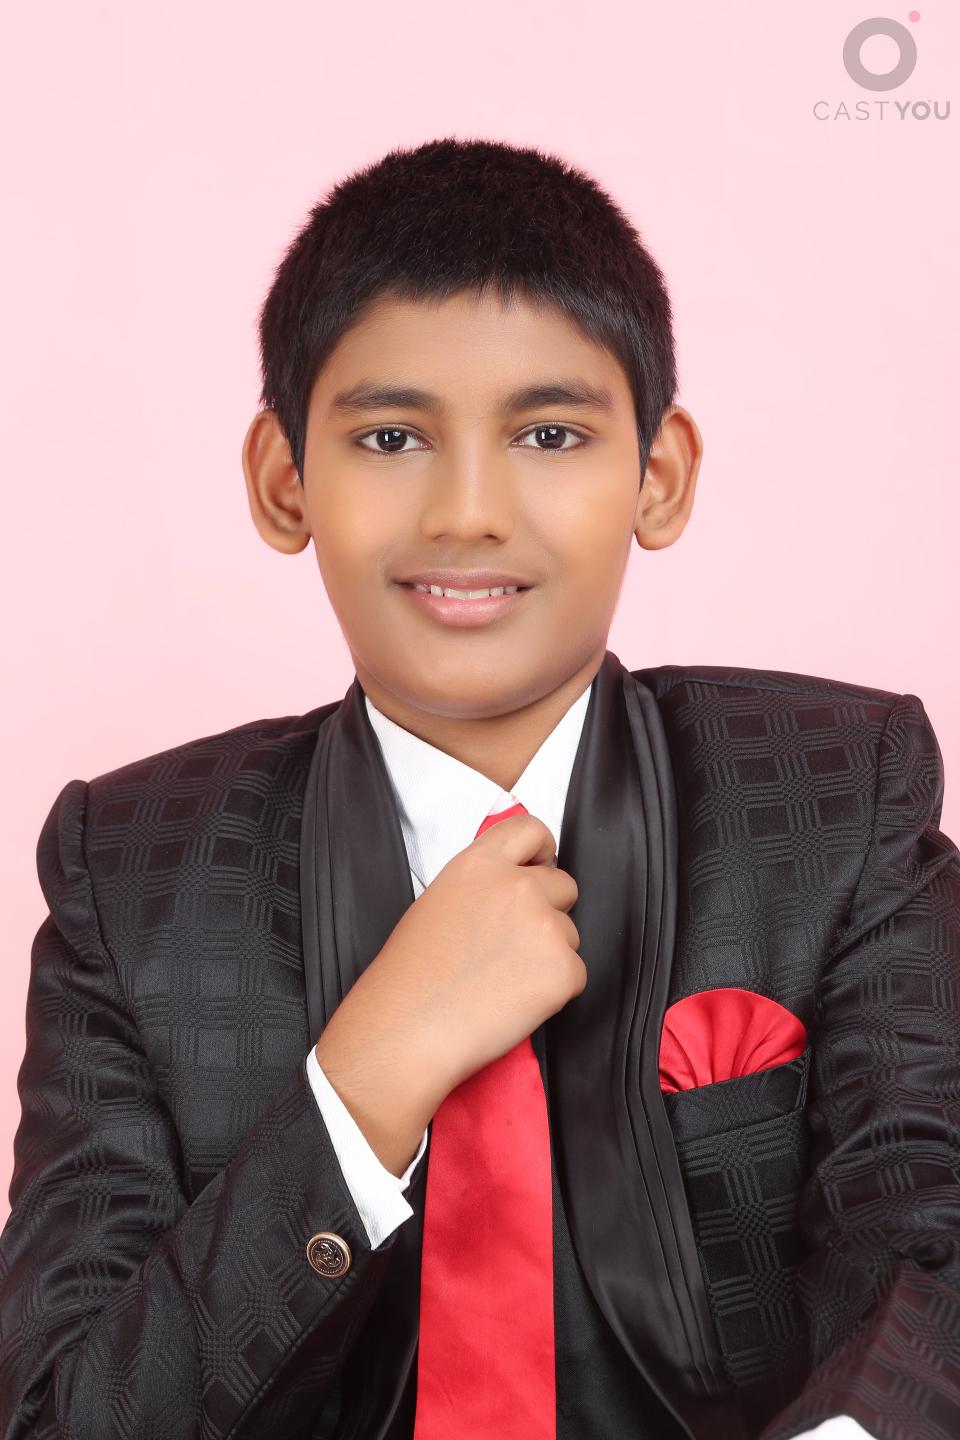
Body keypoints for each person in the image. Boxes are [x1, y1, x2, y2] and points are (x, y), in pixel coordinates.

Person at [1, 136, 958, 1440]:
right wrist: (365, 1081)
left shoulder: (837, 798)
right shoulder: (130, 874)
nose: (466, 512)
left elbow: (931, 1258)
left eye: (549, 434)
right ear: (284, 481)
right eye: (391, 436)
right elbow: (69, 1414)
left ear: (659, 476)